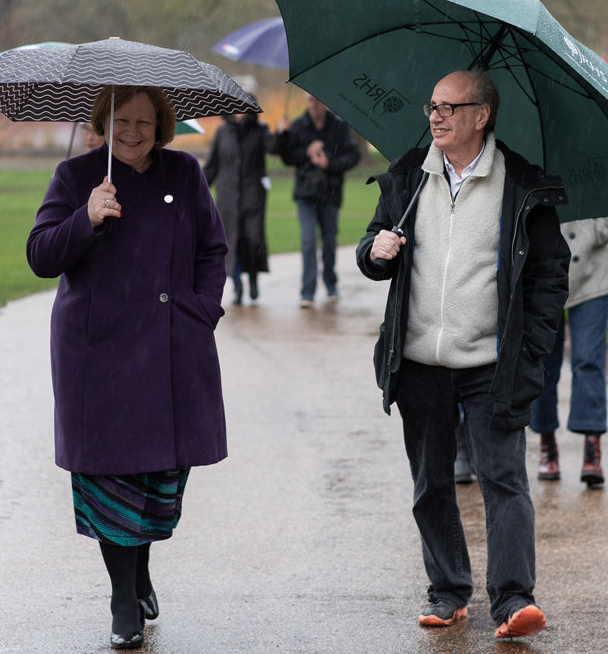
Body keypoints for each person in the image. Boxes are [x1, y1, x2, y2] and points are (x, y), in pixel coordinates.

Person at [356, 70, 569, 640]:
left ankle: (513, 601)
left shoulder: (521, 184)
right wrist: (375, 252)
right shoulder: (409, 175)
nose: (437, 116)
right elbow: (373, 249)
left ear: (483, 116)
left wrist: (534, 349)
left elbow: (550, 275)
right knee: (430, 482)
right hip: (421, 362)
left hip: (491, 365)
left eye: (452, 107)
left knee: (504, 480)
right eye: (433, 106)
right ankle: (448, 591)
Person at [26, 85, 229, 650]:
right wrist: (85, 218)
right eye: (122, 120)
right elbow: (40, 256)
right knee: (108, 475)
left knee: (160, 478)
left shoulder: (184, 173)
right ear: (103, 122)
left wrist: (200, 312)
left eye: (145, 121)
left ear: (161, 125)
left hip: (170, 349)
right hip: (98, 354)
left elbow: (213, 250)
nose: (133, 131)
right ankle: (122, 598)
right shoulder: (76, 176)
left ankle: (137, 570)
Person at [533, 216, 608, 487]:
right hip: (545, 271)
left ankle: (592, 448)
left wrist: (595, 232)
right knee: (542, 362)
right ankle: (547, 442)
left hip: (591, 272)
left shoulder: (603, 169)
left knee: (588, 361)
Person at [278, 93, 360, 308]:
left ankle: (331, 283)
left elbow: (353, 156)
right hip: (305, 193)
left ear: (325, 102)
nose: (314, 104)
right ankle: (307, 292)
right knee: (307, 241)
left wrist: (328, 163)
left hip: (330, 193)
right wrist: (288, 138)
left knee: (329, 241)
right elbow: (286, 157)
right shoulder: (298, 125)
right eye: (310, 100)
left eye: (318, 100)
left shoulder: (339, 127)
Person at [203, 111, 277, 305]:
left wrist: (283, 133)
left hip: (253, 196)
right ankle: (237, 285)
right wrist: (199, 188)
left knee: (252, 239)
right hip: (227, 197)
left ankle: (253, 277)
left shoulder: (259, 130)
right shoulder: (222, 131)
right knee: (231, 242)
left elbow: (275, 148)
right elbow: (212, 165)